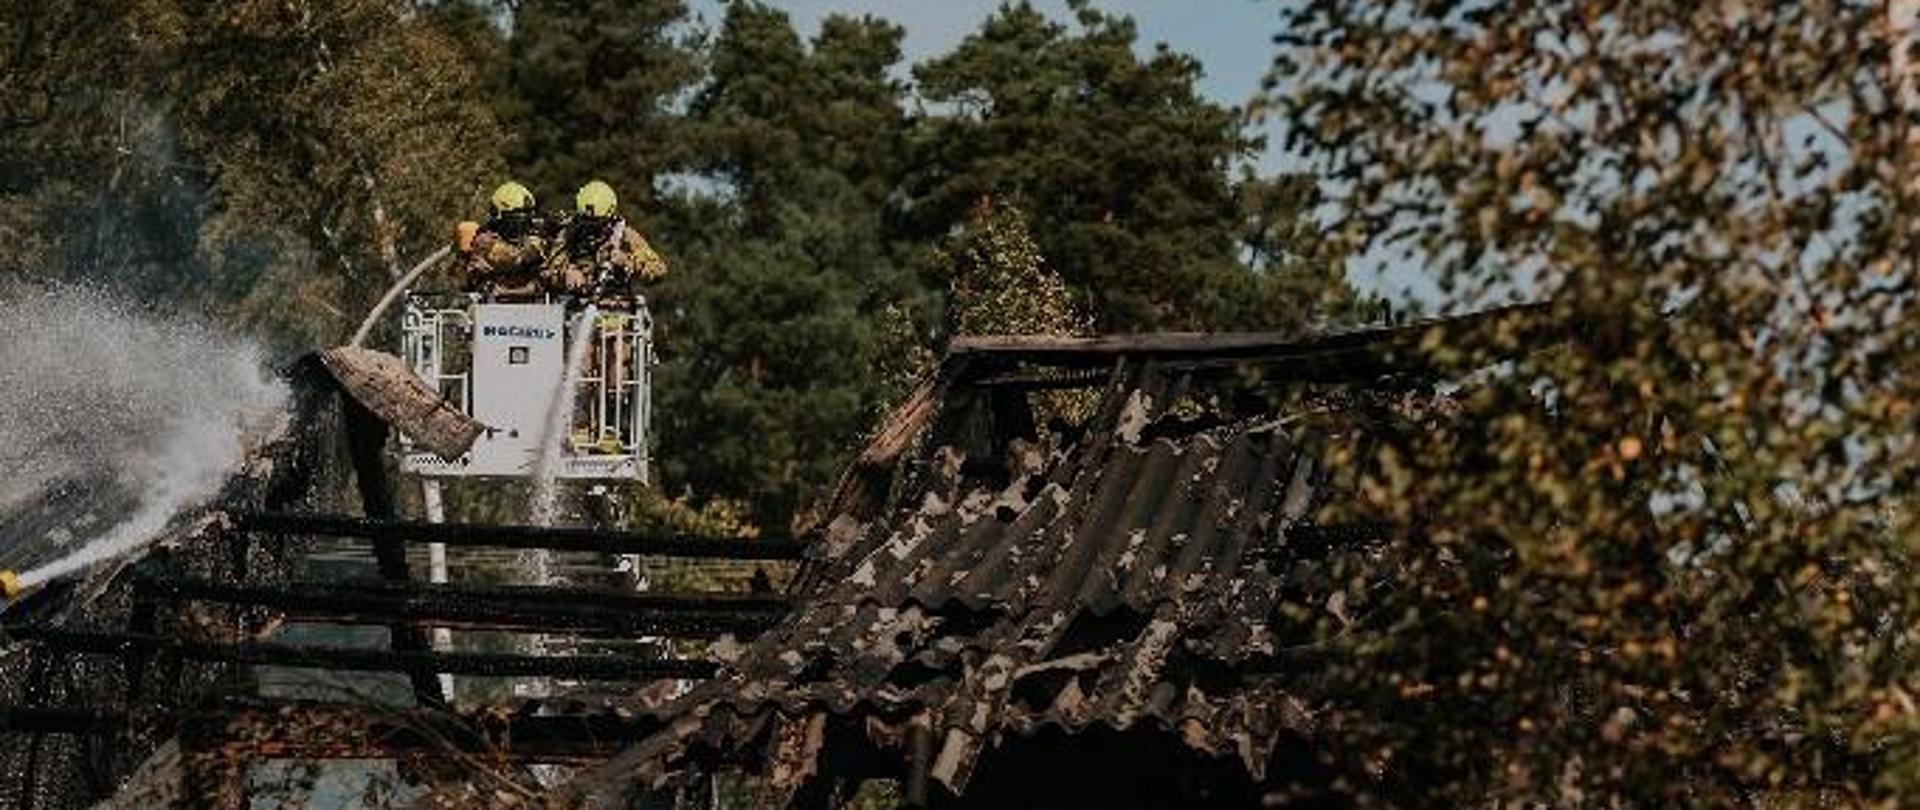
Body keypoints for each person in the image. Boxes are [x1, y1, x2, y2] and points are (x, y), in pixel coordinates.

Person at [546, 180, 667, 299]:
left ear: (610, 216)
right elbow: (549, 270)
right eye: (586, 221)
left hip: (614, 307)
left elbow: (658, 269)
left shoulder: (624, 235)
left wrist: (626, 261)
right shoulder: (569, 232)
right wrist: (566, 273)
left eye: (598, 223)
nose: (591, 228)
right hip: (575, 307)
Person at [456, 181, 552, 298]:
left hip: (535, 307)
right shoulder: (485, 240)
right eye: (515, 219)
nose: (522, 225)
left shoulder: (536, 238)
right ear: (499, 218)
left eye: (526, 218)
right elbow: (514, 257)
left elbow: (542, 280)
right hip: (490, 308)